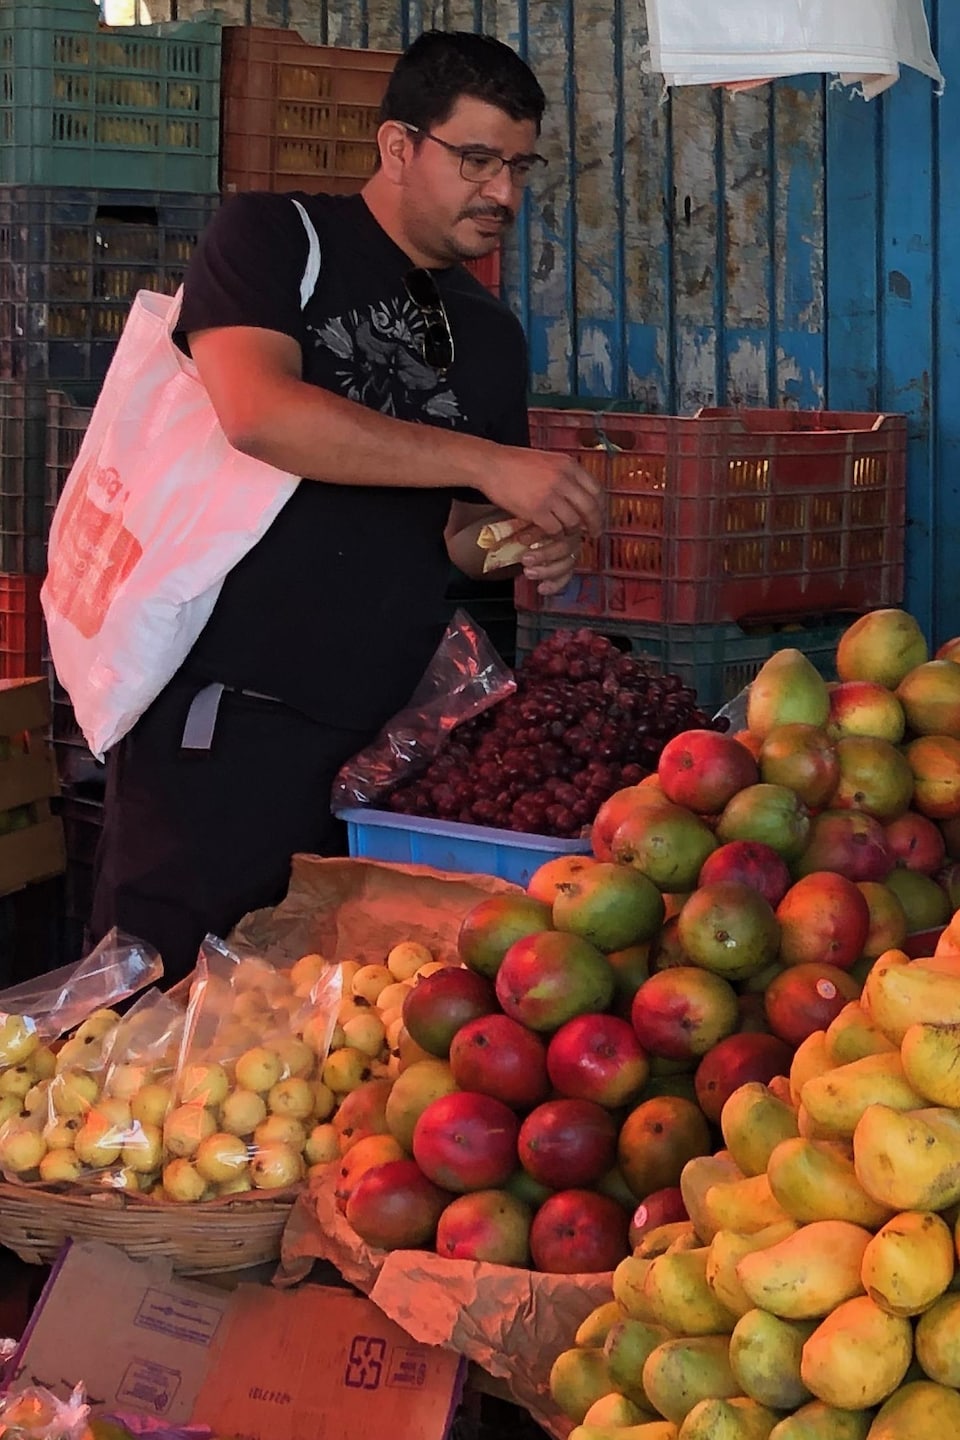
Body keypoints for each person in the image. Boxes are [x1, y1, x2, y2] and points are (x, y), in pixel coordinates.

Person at [88, 29, 603, 985]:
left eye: (520, 166)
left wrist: (525, 542)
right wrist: (491, 461)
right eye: (478, 158)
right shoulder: (278, 238)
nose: (504, 193)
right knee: (160, 1005)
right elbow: (258, 412)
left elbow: (453, 537)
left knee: (322, 1025)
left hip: (381, 755)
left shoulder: (489, 336)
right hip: (224, 723)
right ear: (400, 146)